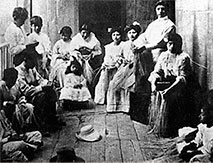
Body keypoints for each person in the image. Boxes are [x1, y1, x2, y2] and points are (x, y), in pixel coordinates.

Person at [148, 33, 199, 138]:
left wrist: (169, 91)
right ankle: (161, 126)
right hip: (168, 83)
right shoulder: (163, 56)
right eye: (169, 44)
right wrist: (154, 84)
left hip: (182, 87)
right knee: (157, 95)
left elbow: (182, 79)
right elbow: (156, 71)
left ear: (179, 45)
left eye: (174, 44)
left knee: (172, 99)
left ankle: (171, 130)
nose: (171, 47)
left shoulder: (183, 58)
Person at [11, 51, 63, 134]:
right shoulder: (19, 72)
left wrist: (48, 83)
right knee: (42, 97)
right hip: (26, 96)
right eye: (32, 62)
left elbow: (40, 79)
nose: (33, 65)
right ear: (25, 60)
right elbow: (25, 91)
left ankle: (52, 120)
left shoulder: (31, 68)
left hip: (35, 91)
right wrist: (41, 88)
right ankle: (42, 126)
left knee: (51, 91)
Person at [0, 68, 42, 162]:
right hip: (3, 145)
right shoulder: (2, 86)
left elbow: (9, 128)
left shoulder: (1, 114)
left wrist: (16, 135)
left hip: (11, 138)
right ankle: (27, 148)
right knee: (21, 144)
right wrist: (10, 138)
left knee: (37, 135)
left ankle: (28, 148)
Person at [106, 22, 141, 113]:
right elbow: (120, 55)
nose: (131, 35)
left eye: (134, 32)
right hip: (125, 67)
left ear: (137, 33)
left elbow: (143, 56)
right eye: (129, 33)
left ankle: (127, 108)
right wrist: (122, 59)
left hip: (136, 67)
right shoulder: (125, 44)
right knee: (114, 83)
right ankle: (115, 107)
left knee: (128, 85)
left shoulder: (140, 43)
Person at [179, 89, 213, 162]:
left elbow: (209, 149)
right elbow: (197, 140)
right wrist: (186, 148)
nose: (199, 116)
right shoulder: (202, 126)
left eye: (202, 114)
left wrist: (192, 154)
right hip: (205, 149)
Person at [94, 27, 123, 106]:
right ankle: (102, 99)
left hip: (118, 66)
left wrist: (117, 63)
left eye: (118, 35)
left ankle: (114, 100)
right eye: (114, 35)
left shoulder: (123, 45)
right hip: (108, 65)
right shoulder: (108, 47)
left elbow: (123, 57)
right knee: (103, 80)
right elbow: (106, 57)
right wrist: (105, 64)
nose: (116, 37)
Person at [71, 23, 102, 96]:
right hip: (79, 59)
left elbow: (99, 51)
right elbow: (72, 50)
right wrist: (77, 55)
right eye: (83, 33)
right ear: (80, 32)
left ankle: (90, 90)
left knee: (90, 73)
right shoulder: (76, 39)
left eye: (87, 33)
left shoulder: (93, 39)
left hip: (90, 59)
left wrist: (92, 54)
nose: (85, 35)